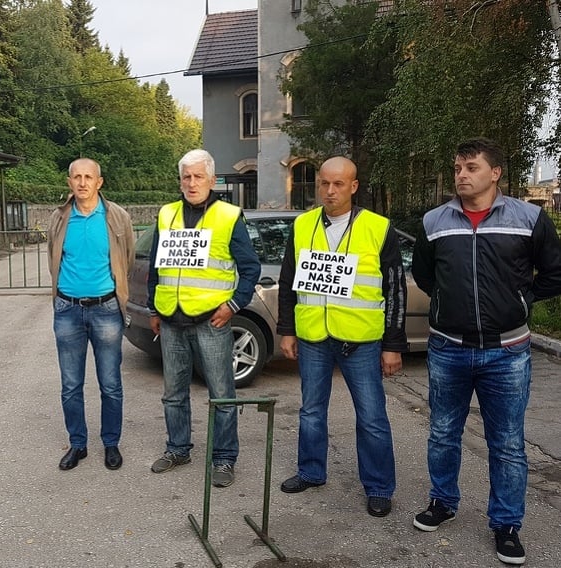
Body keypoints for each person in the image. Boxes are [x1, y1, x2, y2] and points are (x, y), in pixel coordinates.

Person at [411, 137, 561, 565]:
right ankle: (443, 502)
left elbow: (554, 271)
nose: (462, 175)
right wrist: (446, 304)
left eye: (471, 167)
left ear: (495, 173)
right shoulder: (435, 221)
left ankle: (507, 524)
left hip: (507, 353)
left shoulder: (528, 218)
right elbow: (425, 274)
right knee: (442, 434)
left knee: (508, 443)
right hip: (448, 350)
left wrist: (521, 300)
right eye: (458, 167)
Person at [276, 156, 407, 518]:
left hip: (360, 341)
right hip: (313, 335)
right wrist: (286, 330)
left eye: (338, 184)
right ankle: (311, 471)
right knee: (311, 411)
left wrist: (393, 345)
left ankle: (379, 487)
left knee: (371, 417)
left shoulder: (378, 228)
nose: (329, 191)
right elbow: (288, 282)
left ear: (353, 186)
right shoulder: (302, 226)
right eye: (324, 184)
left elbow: (396, 290)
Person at [147, 149, 261, 488]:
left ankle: (224, 459)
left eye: (198, 176)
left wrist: (234, 306)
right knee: (173, 394)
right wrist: (155, 308)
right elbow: (156, 265)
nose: (191, 183)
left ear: (212, 180)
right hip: (171, 319)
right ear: (180, 181)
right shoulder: (167, 213)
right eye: (186, 177)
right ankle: (178, 448)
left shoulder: (228, 215)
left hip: (212, 321)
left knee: (222, 394)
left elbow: (250, 267)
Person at [47, 158, 135, 472]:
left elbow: (127, 260)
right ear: (69, 181)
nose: (82, 183)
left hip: (107, 309)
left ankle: (111, 443)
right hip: (67, 310)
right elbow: (53, 257)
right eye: (77, 177)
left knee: (110, 383)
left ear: (100, 182)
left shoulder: (117, 217)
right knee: (71, 384)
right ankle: (78, 444)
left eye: (89, 177)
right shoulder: (59, 219)